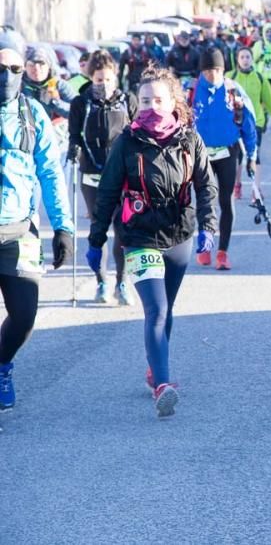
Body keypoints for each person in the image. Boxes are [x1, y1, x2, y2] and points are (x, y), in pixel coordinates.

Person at [87, 66, 218, 418]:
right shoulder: (126, 142)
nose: (151, 106)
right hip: (139, 235)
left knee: (167, 309)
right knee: (156, 310)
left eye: (158, 100)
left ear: (173, 101)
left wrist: (208, 224)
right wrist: (96, 239)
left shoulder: (189, 139)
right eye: (145, 100)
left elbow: (206, 185)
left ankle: (153, 369)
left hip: (179, 234)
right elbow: (107, 192)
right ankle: (163, 384)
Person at [0, 40, 75, 413]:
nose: (8, 76)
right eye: (2, 68)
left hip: (19, 233)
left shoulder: (33, 115)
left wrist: (63, 228)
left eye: (15, 69)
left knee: (25, 317)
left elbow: (50, 173)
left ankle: (2, 364)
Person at [67, 50, 138, 305]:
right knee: (99, 227)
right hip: (92, 174)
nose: (104, 85)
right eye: (99, 80)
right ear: (91, 79)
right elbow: (73, 134)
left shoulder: (127, 100)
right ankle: (100, 282)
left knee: (122, 227)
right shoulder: (80, 103)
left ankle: (121, 281)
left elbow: (137, 132)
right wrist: (73, 150)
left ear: (115, 77)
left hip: (121, 175)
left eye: (108, 79)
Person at [190, 48, 257, 271]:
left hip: (228, 152)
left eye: (217, 70)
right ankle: (205, 245)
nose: (213, 75)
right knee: (204, 200)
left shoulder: (232, 90)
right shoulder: (191, 90)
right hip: (201, 154)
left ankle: (223, 252)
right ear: (202, 72)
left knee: (226, 201)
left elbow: (248, 122)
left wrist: (251, 155)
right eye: (208, 71)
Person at [227, 47, 271, 190]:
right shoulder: (230, 78)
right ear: (237, 59)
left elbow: (269, 101)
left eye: (248, 57)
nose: (245, 60)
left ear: (252, 59)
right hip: (234, 122)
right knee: (236, 155)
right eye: (242, 57)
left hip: (255, 121)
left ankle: (256, 188)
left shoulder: (260, 78)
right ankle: (237, 184)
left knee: (255, 154)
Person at [21, 44, 75, 120]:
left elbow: (78, 112)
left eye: (41, 64)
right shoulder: (19, 86)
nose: (36, 69)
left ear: (49, 67)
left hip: (55, 130)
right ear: (25, 67)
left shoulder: (60, 85)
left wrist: (55, 102)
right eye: (31, 64)